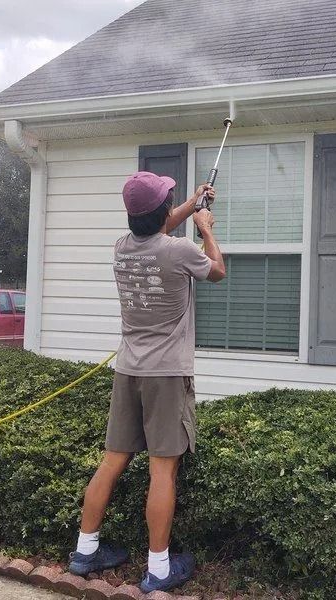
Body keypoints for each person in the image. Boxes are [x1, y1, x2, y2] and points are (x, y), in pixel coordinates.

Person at [67, 171, 226, 593]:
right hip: (167, 375)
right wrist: (205, 227)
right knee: (162, 470)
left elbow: (157, 228)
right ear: (160, 213)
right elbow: (218, 270)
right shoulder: (179, 252)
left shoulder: (121, 248)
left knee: (112, 460)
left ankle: (85, 551)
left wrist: (191, 204)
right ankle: (158, 570)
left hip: (128, 370)